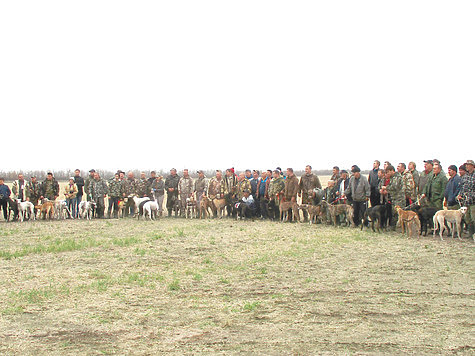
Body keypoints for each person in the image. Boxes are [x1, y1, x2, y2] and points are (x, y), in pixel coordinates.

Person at [379, 165, 404, 229]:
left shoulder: (397, 177)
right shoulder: (393, 178)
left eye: (388, 172)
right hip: (394, 198)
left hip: (399, 198)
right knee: (393, 213)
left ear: (392, 171)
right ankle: (393, 226)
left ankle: (401, 227)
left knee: (399, 213)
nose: (387, 174)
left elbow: (394, 186)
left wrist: (386, 187)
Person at [458, 160, 475, 238]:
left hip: (473, 201)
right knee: (466, 218)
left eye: (468, 165)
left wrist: (472, 196)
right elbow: (462, 187)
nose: (467, 166)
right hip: (465, 201)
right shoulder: (465, 176)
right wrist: (459, 195)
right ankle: (470, 232)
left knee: (473, 218)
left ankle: (473, 233)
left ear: (472, 166)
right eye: (466, 165)